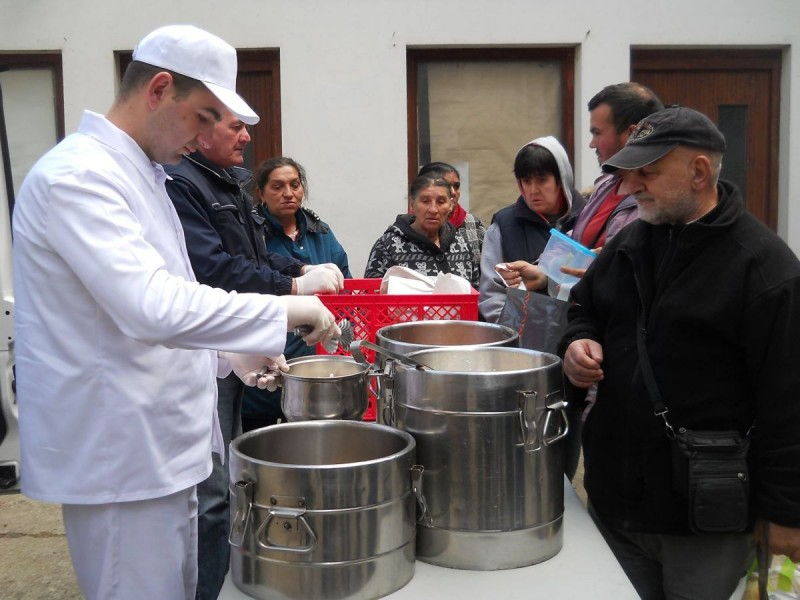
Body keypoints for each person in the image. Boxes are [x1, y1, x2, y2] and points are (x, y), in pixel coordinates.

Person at [11, 25, 338, 600]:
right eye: (203, 115)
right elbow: (151, 307)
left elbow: (161, 293)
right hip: (121, 455)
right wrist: (287, 307)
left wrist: (227, 351)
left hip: (160, 445)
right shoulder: (80, 177)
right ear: (159, 89)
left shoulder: (143, 174)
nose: (209, 134)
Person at [560, 106, 800, 598]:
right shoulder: (631, 243)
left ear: (698, 171)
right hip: (616, 502)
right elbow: (584, 307)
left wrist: (785, 514)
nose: (629, 189)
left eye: (647, 173)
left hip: (705, 521)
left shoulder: (765, 269)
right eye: (627, 176)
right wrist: (576, 344)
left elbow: (789, 405)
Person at [165, 121, 343, 599]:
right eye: (235, 127)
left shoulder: (230, 183)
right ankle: (208, 589)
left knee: (230, 472)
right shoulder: (183, 184)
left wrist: (299, 268)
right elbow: (212, 269)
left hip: (234, 339)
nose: (246, 138)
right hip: (207, 350)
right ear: (199, 130)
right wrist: (292, 291)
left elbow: (254, 255)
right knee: (212, 490)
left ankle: (223, 575)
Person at [497, 82, 663, 291]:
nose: (591, 144)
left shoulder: (658, 200)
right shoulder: (605, 185)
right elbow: (581, 249)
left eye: (598, 133)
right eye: (525, 181)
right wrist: (545, 274)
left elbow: (638, 273)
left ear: (630, 134)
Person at [241, 156, 352, 431]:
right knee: (264, 451)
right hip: (265, 365)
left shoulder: (321, 233)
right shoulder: (251, 233)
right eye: (277, 186)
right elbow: (246, 281)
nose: (288, 193)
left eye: (294, 184)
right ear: (261, 193)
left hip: (315, 370)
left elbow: (346, 291)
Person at [478, 136, 584, 322]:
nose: (533, 190)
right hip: (522, 342)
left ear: (562, 179)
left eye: (542, 180)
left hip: (581, 336)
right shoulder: (503, 226)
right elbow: (491, 295)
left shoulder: (588, 220)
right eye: (526, 181)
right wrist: (514, 333)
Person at [364, 175, 480, 289]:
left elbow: (475, 292)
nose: (433, 210)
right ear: (412, 204)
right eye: (425, 201)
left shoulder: (461, 244)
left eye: (441, 202)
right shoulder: (387, 245)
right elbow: (369, 296)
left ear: (450, 205)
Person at [417, 162, 485, 265]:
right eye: (446, 185)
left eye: (456, 186)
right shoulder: (407, 230)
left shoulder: (473, 224)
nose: (453, 192)